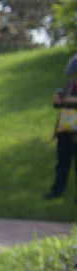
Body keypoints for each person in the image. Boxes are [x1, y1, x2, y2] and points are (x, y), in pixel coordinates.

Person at [49, 56, 77, 200]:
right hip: (65, 129)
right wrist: (58, 101)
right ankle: (57, 191)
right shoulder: (69, 84)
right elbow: (60, 105)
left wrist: (74, 100)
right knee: (62, 162)